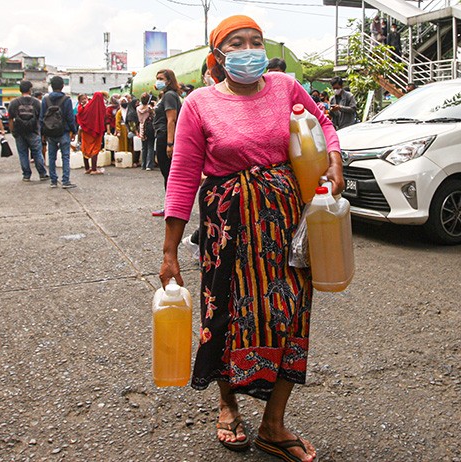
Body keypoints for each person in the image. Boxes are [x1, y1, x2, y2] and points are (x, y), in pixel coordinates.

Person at [159, 15, 343, 462]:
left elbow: (323, 125)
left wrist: (336, 162)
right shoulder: (199, 103)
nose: (249, 50)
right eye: (237, 43)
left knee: (291, 312)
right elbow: (183, 176)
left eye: (255, 41)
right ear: (218, 56)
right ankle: (228, 406)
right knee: (224, 312)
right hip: (228, 228)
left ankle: (273, 426)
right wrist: (169, 251)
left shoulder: (285, 87)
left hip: (285, 226)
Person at [151, 68, 182, 217]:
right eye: (157, 78)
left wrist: (170, 144)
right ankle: (171, 206)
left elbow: (171, 120)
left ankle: (171, 208)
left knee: (168, 174)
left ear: (169, 81)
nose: (158, 81)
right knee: (167, 174)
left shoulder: (169, 95)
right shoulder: (167, 95)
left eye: (161, 78)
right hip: (163, 136)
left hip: (165, 137)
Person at [8, 80, 48, 182]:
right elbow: (41, 119)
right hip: (33, 131)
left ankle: (26, 175)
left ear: (20, 90)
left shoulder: (14, 103)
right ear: (30, 90)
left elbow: (10, 119)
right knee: (37, 153)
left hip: (19, 132)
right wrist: (42, 133)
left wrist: (13, 132)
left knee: (23, 154)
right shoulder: (37, 102)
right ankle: (42, 174)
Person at [41, 75, 77, 189]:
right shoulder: (66, 100)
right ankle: (65, 181)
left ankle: (53, 181)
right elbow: (70, 117)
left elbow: (42, 118)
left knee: (52, 157)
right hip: (63, 131)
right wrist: (73, 131)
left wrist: (42, 133)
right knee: (65, 156)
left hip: (50, 132)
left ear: (51, 86)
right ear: (62, 86)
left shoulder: (45, 100)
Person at [77, 92, 106, 175]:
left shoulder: (86, 106)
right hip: (96, 131)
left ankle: (87, 168)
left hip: (86, 131)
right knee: (95, 149)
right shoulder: (99, 107)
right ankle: (94, 169)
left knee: (85, 148)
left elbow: (80, 116)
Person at [137, 92, 156, 171]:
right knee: (150, 146)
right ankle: (149, 165)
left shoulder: (138, 108)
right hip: (149, 127)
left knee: (144, 147)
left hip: (141, 127)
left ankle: (143, 164)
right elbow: (154, 115)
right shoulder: (149, 108)